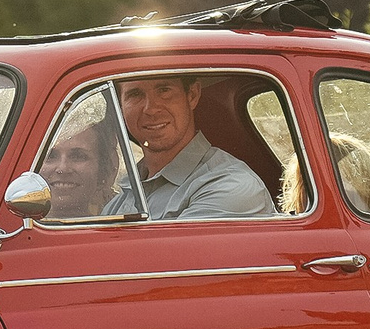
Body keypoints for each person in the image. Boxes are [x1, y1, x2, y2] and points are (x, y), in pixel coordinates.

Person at [106, 74, 276, 220]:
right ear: (120, 107)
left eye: (164, 90)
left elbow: (163, 257)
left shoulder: (232, 186)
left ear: (192, 95)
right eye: (135, 94)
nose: (151, 109)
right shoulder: (125, 194)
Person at [41, 96, 126, 220]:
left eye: (78, 156)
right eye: (50, 156)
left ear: (103, 169)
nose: (63, 168)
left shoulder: (118, 232)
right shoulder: (6, 231)